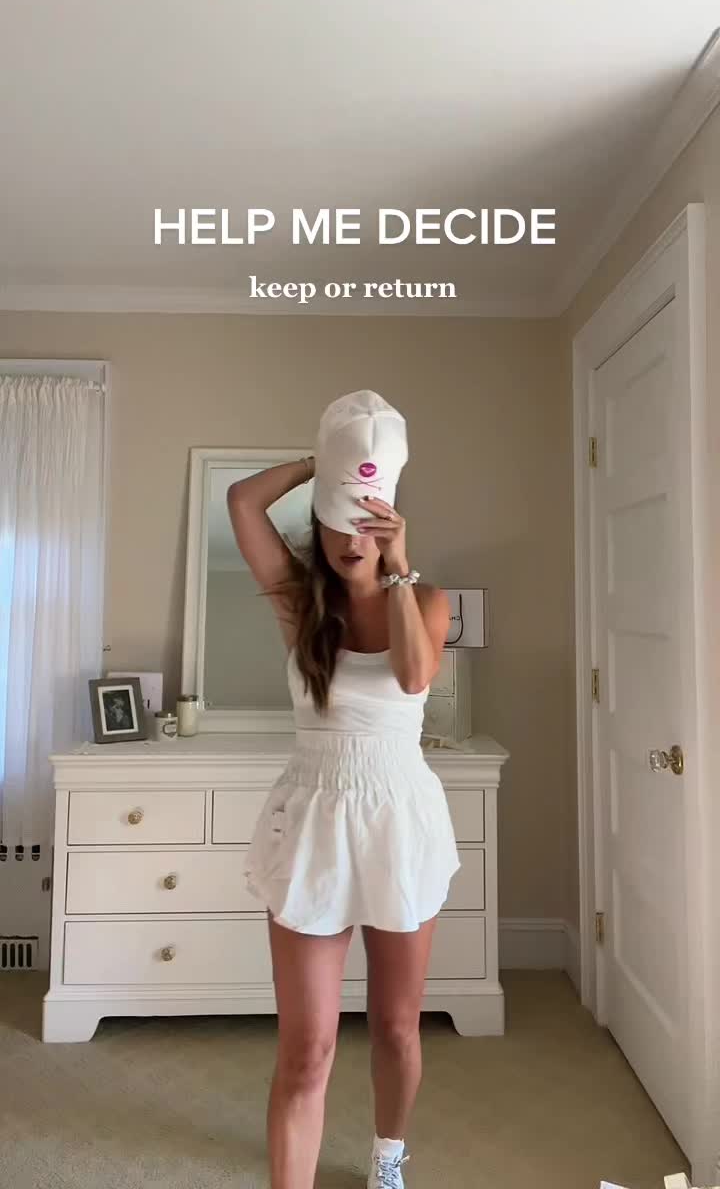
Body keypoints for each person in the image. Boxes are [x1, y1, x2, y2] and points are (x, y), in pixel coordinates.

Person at [226, 390, 460, 1189]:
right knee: (307, 1047)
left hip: (398, 817)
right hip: (315, 818)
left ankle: (388, 1158)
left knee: (396, 1027)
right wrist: (319, 463)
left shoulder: (425, 600)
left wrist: (398, 569)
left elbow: (414, 676)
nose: (353, 539)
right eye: (339, 520)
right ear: (318, 522)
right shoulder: (300, 603)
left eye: (370, 521)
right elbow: (242, 501)